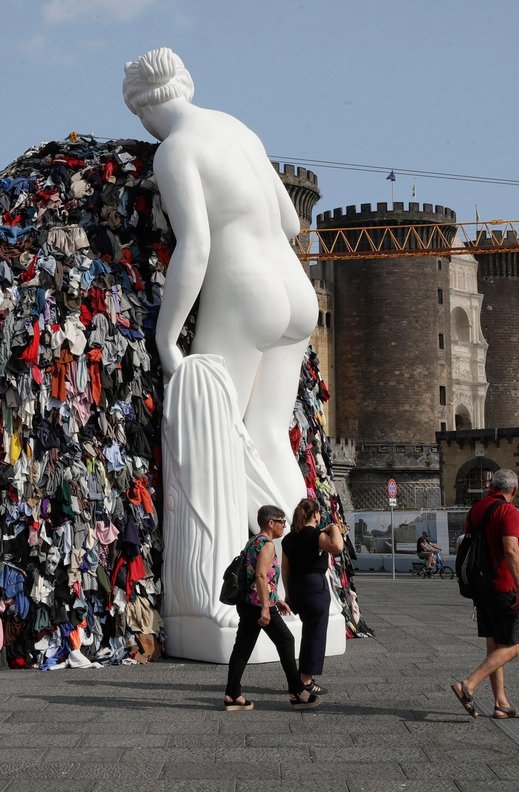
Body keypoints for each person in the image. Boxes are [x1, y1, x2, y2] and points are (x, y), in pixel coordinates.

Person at [123, 48, 320, 658]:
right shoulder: (239, 129)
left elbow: (197, 247)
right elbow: (291, 221)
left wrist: (166, 336)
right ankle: (313, 586)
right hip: (294, 289)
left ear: (143, 105)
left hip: (242, 290)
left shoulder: (176, 149)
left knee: (219, 439)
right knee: (268, 435)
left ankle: (235, 599)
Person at [222, 505, 321, 712]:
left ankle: (232, 694)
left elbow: (260, 578)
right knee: (286, 640)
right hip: (258, 605)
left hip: (248, 603)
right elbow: (259, 575)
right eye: (282, 522)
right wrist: (267, 608)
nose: (284, 526)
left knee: (242, 648)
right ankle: (297, 692)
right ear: (271, 523)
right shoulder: (266, 545)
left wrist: (277, 599)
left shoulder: (253, 541)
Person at [450, 469, 519, 720]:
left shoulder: (476, 509)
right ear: (514, 490)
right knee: (513, 647)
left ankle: (501, 703)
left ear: (489, 487)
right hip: (502, 585)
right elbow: (511, 551)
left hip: (480, 586)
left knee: (494, 646)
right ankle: (468, 685)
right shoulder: (508, 510)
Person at [281, 498, 342, 696]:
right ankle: (306, 680)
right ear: (315, 514)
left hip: (297, 586)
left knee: (308, 631)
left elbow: (285, 568)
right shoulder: (315, 535)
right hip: (315, 585)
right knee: (315, 634)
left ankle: (304, 675)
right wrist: (333, 527)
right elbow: (338, 547)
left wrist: (289, 593)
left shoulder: (289, 539)